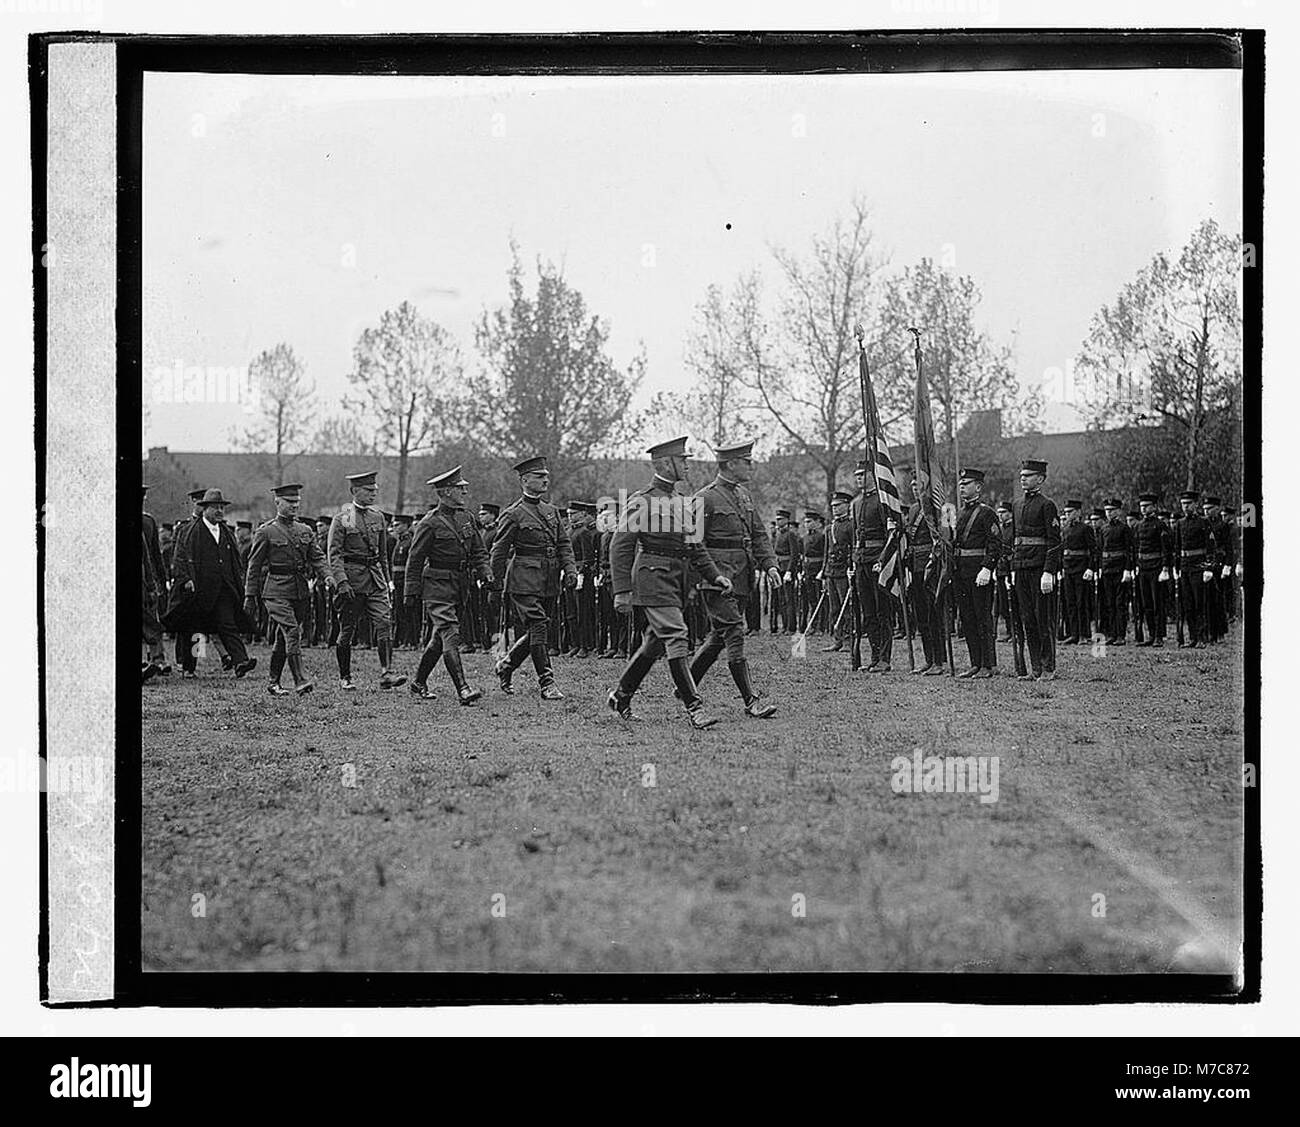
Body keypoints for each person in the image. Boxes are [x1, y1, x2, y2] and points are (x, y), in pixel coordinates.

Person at [607, 436, 731, 728]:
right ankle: (694, 707)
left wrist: (715, 575)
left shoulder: (681, 502)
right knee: (677, 635)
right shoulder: (642, 500)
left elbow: (695, 546)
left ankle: (620, 696)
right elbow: (620, 546)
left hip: (677, 582)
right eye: (682, 460)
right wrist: (622, 590)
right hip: (652, 578)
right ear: (665, 463)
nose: (687, 465)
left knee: (653, 644)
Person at [684, 438, 782, 719]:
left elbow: (759, 535)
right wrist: (705, 577)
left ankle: (686, 684)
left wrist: (771, 565)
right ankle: (751, 700)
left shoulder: (744, 496)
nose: (751, 466)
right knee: (735, 631)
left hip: (742, 577)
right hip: (716, 579)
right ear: (730, 464)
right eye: (746, 461)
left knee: (718, 637)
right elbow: (694, 543)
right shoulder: (705, 498)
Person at [489, 456, 577, 700]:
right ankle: (547, 682)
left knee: (540, 629)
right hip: (524, 578)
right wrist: (494, 582)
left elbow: (564, 544)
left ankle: (506, 666)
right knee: (538, 626)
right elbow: (499, 550)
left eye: (546, 476)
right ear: (524, 480)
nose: (545, 480)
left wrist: (570, 570)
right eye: (539, 476)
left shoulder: (551, 512)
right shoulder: (513, 514)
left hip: (549, 578)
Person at [404, 467, 492, 704]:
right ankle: (463, 689)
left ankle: (418, 683)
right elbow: (415, 560)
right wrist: (410, 592)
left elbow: (478, 551)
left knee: (439, 638)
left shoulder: (467, 518)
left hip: (460, 585)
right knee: (451, 633)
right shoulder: (429, 523)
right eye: (459, 488)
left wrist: (485, 571)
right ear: (445, 492)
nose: (465, 490)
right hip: (436, 586)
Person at [243, 483, 332, 695]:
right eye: (290, 502)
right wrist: (250, 596)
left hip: (299, 591)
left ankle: (273, 682)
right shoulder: (266, 532)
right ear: (277, 502)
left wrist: (327, 575)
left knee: (285, 637)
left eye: (297, 502)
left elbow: (317, 558)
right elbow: (253, 567)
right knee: (292, 630)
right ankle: (300, 679)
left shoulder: (305, 530)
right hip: (275, 590)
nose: (294, 506)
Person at [327, 471, 405, 691]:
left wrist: (387, 582)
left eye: (375, 490)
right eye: (368, 491)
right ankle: (345, 676)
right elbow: (334, 554)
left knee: (384, 622)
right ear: (354, 491)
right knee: (348, 630)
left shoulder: (378, 517)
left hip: (375, 579)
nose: (373, 494)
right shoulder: (342, 518)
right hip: (351, 582)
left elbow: (382, 556)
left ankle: (386, 673)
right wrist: (341, 582)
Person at [166, 488, 256, 679]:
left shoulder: (226, 532)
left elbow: (234, 560)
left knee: (228, 624)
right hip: (199, 590)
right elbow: (180, 558)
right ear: (204, 509)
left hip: (223, 589)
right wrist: (186, 580)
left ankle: (241, 661)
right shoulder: (189, 531)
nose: (219, 511)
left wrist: (237, 581)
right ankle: (189, 668)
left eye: (222, 507)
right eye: (215, 507)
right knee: (194, 629)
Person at [1010, 459, 1061, 681]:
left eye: (1028, 475)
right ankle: (1035, 669)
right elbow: (1015, 539)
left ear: (1040, 479)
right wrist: (1013, 567)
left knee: (1043, 619)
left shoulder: (1047, 505)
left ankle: (1048, 667)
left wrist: (1049, 571)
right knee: (1027, 619)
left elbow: (1055, 542)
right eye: (1022, 475)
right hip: (1021, 568)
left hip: (1040, 570)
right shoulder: (1017, 505)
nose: (1023, 478)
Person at [950, 469, 1001, 679]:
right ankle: (975, 663)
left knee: (982, 619)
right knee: (968, 619)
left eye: (967, 483)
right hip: (961, 572)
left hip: (979, 572)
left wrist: (988, 568)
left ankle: (988, 664)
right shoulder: (958, 513)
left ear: (978, 487)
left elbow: (995, 543)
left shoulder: (986, 512)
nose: (962, 487)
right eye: (961, 483)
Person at [851, 459, 898, 672]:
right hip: (861, 562)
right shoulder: (856, 503)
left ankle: (884, 659)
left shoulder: (882, 501)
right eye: (857, 475)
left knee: (882, 612)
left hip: (877, 562)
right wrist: (853, 561)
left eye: (862, 474)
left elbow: (891, 534)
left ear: (872, 475)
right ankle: (874, 656)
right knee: (868, 613)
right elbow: (855, 536)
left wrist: (882, 560)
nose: (859, 478)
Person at [904, 479, 943, 674]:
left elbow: (944, 535)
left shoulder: (937, 507)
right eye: (912, 485)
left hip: (932, 565)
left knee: (933, 613)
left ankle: (939, 660)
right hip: (916, 565)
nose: (915, 489)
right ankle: (929, 659)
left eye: (918, 484)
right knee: (921, 615)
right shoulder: (912, 509)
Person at [1173, 489, 1218, 648]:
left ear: (1195, 504)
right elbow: (1177, 548)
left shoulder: (1204, 522)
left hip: (1199, 567)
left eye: (1188, 504)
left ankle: (1202, 637)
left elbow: (1211, 546)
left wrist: (1209, 568)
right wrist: (1176, 568)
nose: (1185, 507)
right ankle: (1192, 637)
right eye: (1183, 504)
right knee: (1188, 604)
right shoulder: (1179, 523)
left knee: (1200, 603)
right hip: (1185, 567)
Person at [1133, 492, 1172, 647]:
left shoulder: (1160, 525)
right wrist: (1136, 565)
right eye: (1141, 506)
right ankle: (1150, 634)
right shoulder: (1139, 526)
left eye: (1146, 506)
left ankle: (1159, 636)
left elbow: (1166, 548)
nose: (1143, 509)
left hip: (1156, 568)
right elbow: (1136, 547)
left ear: (1154, 507)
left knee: (1158, 603)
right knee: (1146, 603)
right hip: (1143, 568)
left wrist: (1165, 568)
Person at [141, 485, 170, 681]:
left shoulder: (148, 521)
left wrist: (160, 580)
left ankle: (158, 659)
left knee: (153, 620)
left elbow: (153, 555)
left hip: (146, 579)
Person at [821, 490, 855, 652]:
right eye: (833, 506)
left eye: (839, 505)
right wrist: (823, 571)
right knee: (834, 608)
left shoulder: (850, 525)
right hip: (831, 572)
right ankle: (838, 639)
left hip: (844, 571)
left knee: (846, 607)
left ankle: (848, 640)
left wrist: (852, 568)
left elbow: (853, 548)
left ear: (847, 506)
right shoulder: (830, 527)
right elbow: (826, 551)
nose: (835, 509)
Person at [1098, 498, 1135, 645]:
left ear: (1118, 511)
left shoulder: (1125, 529)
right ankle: (1112, 634)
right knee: (1109, 603)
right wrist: (1100, 568)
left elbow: (1128, 551)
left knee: (1120, 604)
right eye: (1107, 510)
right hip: (1107, 569)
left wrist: (1127, 569)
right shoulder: (1103, 529)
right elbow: (1100, 550)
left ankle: (1121, 635)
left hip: (1120, 569)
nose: (1109, 513)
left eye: (1112, 510)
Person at [1059, 500, 1095, 645]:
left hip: (1081, 568)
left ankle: (1084, 634)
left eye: (1070, 512)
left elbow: (1093, 550)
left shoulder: (1085, 529)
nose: (1067, 515)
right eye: (1066, 512)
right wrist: (1061, 568)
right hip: (1068, 568)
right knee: (1070, 602)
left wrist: (1090, 568)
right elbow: (1062, 550)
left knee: (1082, 603)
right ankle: (1074, 634)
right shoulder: (1065, 529)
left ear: (1078, 512)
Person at [801, 510, 826, 633]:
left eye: (809, 522)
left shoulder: (822, 536)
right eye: (805, 522)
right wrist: (802, 570)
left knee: (820, 598)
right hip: (807, 570)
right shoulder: (804, 538)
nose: (807, 524)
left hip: (818, 570)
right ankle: (814, 625)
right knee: (811, 599)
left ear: (817, 522)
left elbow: (825, 554)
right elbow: (803, 555)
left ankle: (822, 626)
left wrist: (822, 571)